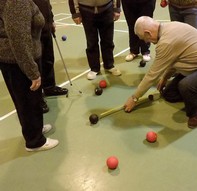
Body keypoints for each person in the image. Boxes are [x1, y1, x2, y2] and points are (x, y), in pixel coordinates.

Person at [124, 16, 197, 128]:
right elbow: (174, 60)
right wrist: (165, 78)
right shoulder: (168, 27)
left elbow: (152, 75)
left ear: (148, 33)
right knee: (169, 94)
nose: (145, 41)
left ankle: (194, 113)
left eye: (143, 38)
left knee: (186, 86)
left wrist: (134, 98)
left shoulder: (166, 42)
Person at [0, 0, 59, 151]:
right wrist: (32, 71)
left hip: (20, 58)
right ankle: (35, 141)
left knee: (31, 100)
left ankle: (35, 130)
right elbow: (19, 38)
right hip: (17, 61)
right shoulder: (16, 2)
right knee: (27, 101)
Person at [68, 0, 122, 80]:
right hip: (86, 11)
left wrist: (116, 8)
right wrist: (75, 13)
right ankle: (94, 68)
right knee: (91, 42)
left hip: (107, 8)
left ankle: (109, 65)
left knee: (108, 40)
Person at [33, 0, 68, 113]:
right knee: (36, 64)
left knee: (48, 59)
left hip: (46, 27)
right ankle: (37, 98)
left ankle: (49, 87)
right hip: (33, 31)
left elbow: (47, 5)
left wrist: (51, 20)